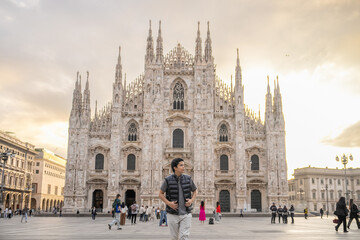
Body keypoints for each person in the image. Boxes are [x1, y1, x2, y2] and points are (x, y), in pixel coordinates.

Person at [159, 158, 198, 240]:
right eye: (181, 165)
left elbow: (195, 191)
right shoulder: (168, 180)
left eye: (184, 165)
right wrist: (169, 203)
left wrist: (191, 200)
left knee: (184, 237)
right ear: (175, 168)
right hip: (172, 214)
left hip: (186, 213)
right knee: (174, 237)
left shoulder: (188, 178)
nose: (184, 167)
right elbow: (160, 194)